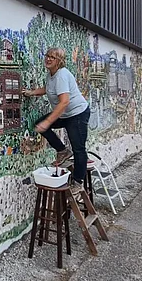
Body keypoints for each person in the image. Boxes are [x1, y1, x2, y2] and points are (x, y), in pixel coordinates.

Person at [22, 48, 91, 195]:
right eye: (47, 55)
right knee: (38, 124)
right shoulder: (51, 74)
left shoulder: (61, 76)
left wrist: (48, 122)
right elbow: (49, 89)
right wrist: (32, 92)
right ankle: (62, 150)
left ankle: (78, 182)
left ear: (59, 61)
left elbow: (64, 102)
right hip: (65, 114)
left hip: (77, 114)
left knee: (79, 149)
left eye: (52, 57)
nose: (48, 59)